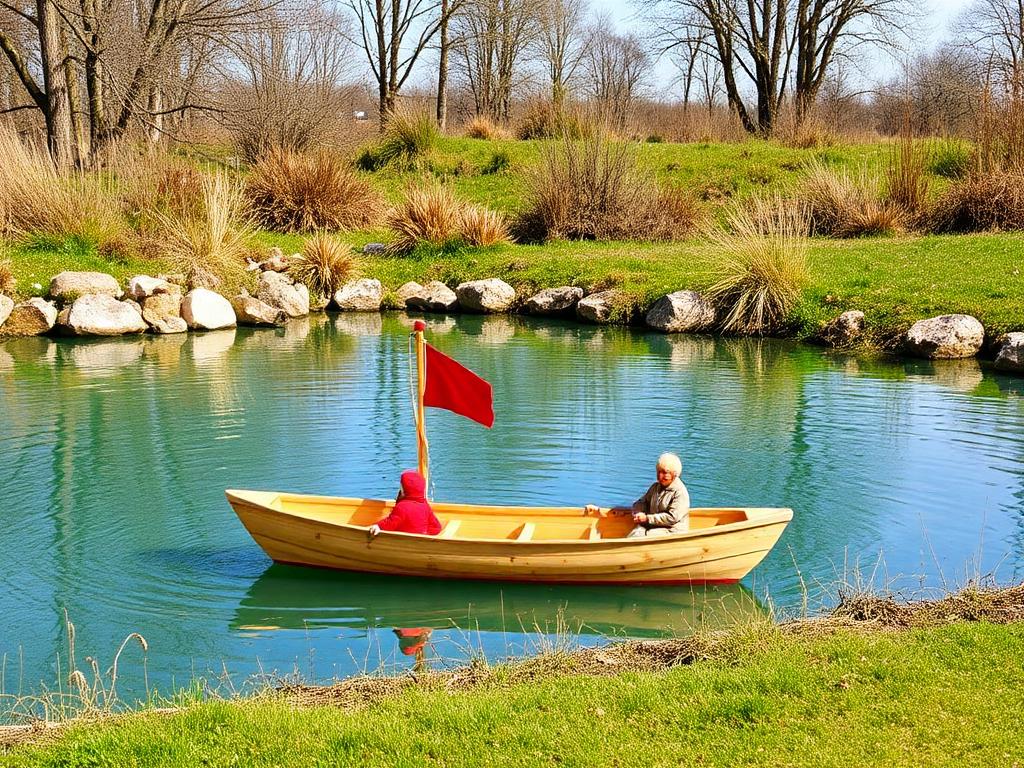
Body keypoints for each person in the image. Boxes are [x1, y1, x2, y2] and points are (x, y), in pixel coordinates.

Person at [584, 453, 690, 538]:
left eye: (664, 473)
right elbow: (642, 502)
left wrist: (647, 518)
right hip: (653, 525)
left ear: (674, 474)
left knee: (644, 537)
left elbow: (672, 518)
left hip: (671, 531)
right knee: (634, 534)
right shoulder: (655, 487)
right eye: (658, 472)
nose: (659, 476)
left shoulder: (680, 493)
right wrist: (637, 511)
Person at [369, 470, 443, 536]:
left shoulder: (401, 507)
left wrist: (378, 526)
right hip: (422, 539)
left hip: (405, 541)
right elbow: (437, 527)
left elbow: (390, 523)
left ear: (403, 490)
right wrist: (425, 534)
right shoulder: (424, 505)